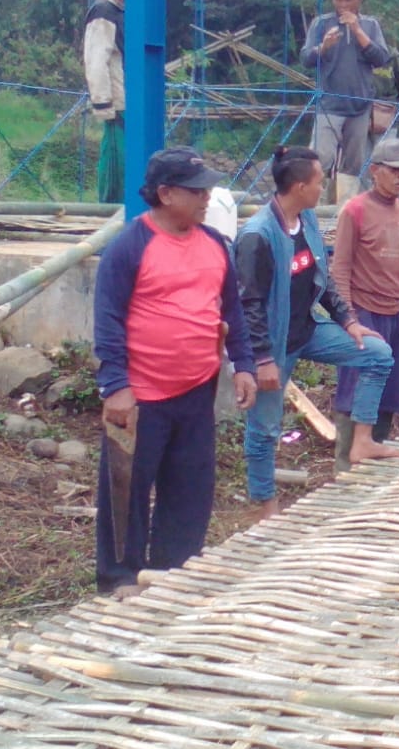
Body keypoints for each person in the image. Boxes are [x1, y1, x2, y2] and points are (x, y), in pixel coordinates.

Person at [93, 146, 258, 595]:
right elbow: (107, 320)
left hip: (196, 389)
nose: (207, 198)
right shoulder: (130, 247)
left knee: (189, 488)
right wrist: (116, 385)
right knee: (126, 490)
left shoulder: (215, 245)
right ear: (165, 193)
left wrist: (243, 364)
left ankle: (174, 570)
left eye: (207, 190)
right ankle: (119, 578)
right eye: (196, 191)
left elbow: (231, 311)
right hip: (141, 395)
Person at [236, 146, 396, 520]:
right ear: (299, 187)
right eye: (319, 182)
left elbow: (322, 278)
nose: (323, 189)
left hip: (306, 329)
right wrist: (262, 359)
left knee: (377, 354)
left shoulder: (306, 220)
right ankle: (265, 505)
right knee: (264, 429)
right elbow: (249, 304)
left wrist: (348, 321)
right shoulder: (257, 236)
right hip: (272, 344)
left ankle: (362, 441)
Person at [331, 138, 399, 447]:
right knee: (356, 388)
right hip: (365, 312)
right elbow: (340, 269)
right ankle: (346, 461)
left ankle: (375, 449)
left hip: (397, 312)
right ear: (374, 170)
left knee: (391, 390)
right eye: (395, 171)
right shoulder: (354, 211)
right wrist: (349, 319)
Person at [301, 0, 391, 202]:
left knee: (353, 164)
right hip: (329, 104)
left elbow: (381, 58)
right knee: (320, 158)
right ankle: (313, 208)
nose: (343, 4)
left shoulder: (370, 25)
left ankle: (344, 210)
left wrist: (357, 30)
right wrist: (324, 47)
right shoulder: (321, 24)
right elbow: (306, 59)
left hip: (360, 106)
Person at [83, 0, 126, 204]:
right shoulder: (103, 12)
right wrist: (103, 103)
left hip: (125, 96)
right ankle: (110, 209)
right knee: (116, 161)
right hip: (116, 101)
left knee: (126, 159)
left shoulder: (120, 12)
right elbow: (96, 59)